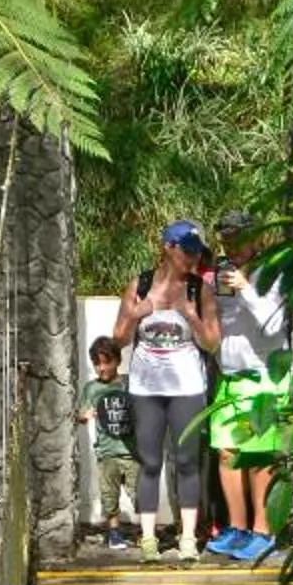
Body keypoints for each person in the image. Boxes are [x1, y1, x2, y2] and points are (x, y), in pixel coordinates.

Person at [111, 221, 220, 562]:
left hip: (187, 387)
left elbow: (212, 343)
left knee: (187, 461)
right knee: (150, 462)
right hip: (146, 387)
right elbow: (119, 338)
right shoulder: (140, 285)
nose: (192, 258)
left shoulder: (198, 290)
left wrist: (192, 317)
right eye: (187, 251)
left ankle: (187, 538)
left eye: (196, 252)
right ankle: (147, 539)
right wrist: (136, 314)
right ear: (167, 248)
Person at [207, 212, 290, 564]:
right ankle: (237, 529)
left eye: (238, 240)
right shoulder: (220, 279)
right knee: (227, 454)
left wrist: (246, 288)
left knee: (259, 459)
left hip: (264, 377)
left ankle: (263, 531)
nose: (232, 247)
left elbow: (274, 327)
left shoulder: (272, 274)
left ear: (256, 240)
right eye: (226, 241)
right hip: (231, 377)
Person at [79, 334, 139, 551]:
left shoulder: (129, 383)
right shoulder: (91, 389)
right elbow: (80, 414)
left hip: (132, 451)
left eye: (107, 362)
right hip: (107, 452)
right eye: (97, 364)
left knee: (140, 493)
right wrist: (85, 415)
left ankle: (146, 532)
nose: (101, 368)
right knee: (109, 495)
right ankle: (114, 532)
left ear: (117, 361)